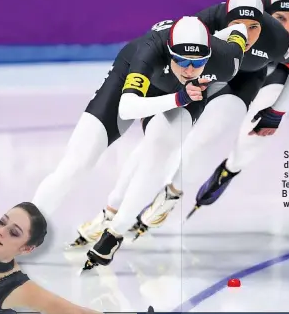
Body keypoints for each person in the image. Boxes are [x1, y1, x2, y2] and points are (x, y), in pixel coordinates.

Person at [80, 0, 289, 268]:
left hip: (243, 80)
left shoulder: (275, 36)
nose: (247, 34)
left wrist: (277, 111)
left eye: (255, 26)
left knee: (205, 136)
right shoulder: (202, 25)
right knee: (158, 142)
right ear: (224, 22)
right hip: (202, 77)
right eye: (238, 26)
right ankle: (112, 209)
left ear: (263, 22)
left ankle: (171, 194)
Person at [114, 0, 289, 229]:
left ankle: (227, 171)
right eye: (280, 18)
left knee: (256, 134)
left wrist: (277, 112)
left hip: (283, 61)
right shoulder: (239, 15)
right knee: (185, 131)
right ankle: (142, 197)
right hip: (246, 59)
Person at [30, 17, 247, 245]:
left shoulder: (225, 61)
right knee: (76, 164)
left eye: (198, 62)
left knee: (158, 152)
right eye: (182, 61)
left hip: (184, 93)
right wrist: (178, 98)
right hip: (137, 81)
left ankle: (114, 225)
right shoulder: (149, 51)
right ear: (170, 53)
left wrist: (228, 36)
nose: (190, 70)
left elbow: (241, 29)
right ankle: (25, 227)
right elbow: (127, 108)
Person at [0, 54, 101, 313]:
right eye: (3, 222)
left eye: (14, 232)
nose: (0, 230)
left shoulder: (20, 288)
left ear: (26, 248)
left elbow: (76, 312)